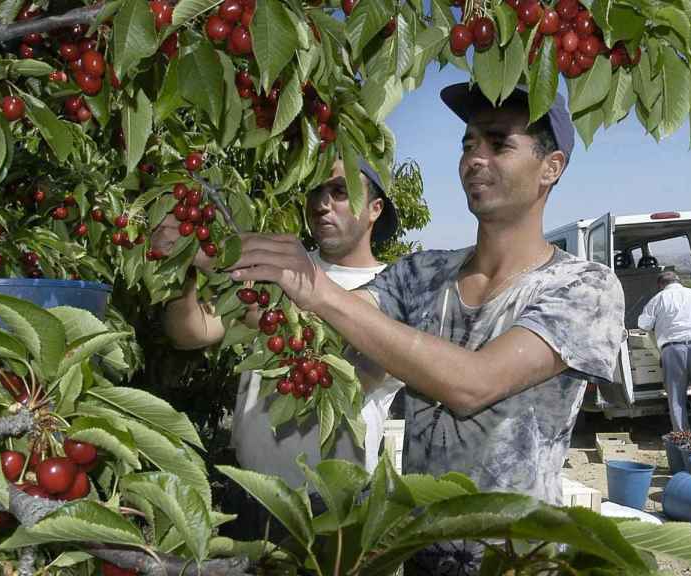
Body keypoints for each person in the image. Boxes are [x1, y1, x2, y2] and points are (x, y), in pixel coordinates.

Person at [225, 85, 625, 572]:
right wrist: (216, 259)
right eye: (468, 143)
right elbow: (310, 333)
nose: (474, 158)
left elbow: (473, 384)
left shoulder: (585, 287)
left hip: (514, 558)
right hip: (414, 553)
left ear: (551, 167)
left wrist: (320, 291)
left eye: (497, 143)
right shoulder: (420, 275)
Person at [152, 158, 404, 541]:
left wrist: (223, 271)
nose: (322, 204)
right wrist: (181, 266)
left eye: (339, 192)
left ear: (375, 209)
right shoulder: (279, 264)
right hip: (249, 494)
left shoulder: (396, 288)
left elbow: (353, 376)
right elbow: (191, 332)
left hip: (330, 509)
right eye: (317, 192)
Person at [637, 270, 691, 433]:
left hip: (673, 349)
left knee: (676, 396)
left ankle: (682, 437)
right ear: (678, 281)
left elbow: (643, 324)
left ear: (660, 285)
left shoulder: (658, 299)